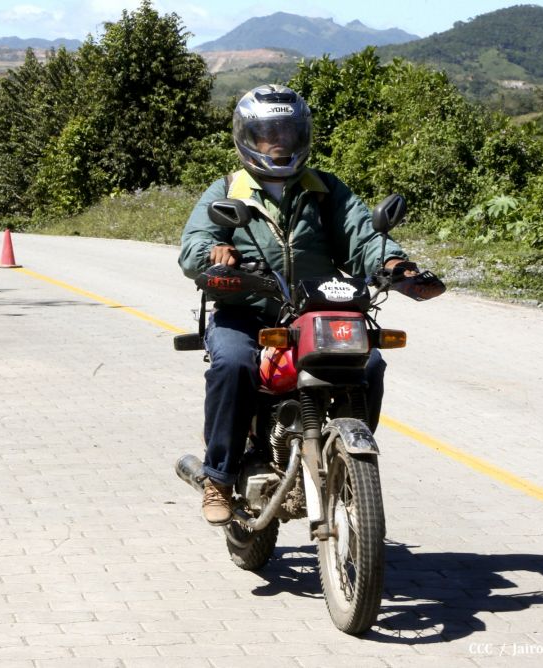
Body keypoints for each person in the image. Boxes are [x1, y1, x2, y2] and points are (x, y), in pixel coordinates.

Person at [178, 84, 421, 525]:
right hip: (245, 311)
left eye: (287, 132)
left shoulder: (327, 190)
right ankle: (220, 476)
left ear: (301, 135)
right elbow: (195, 244)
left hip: (316, 313)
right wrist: (216, 256)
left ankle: (346, 455)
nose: (278, 142)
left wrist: (392, 261)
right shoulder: (228, 188)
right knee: (233, 365)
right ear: (247, 137)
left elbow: (362, 236)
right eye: (268, 132)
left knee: (368, 364)